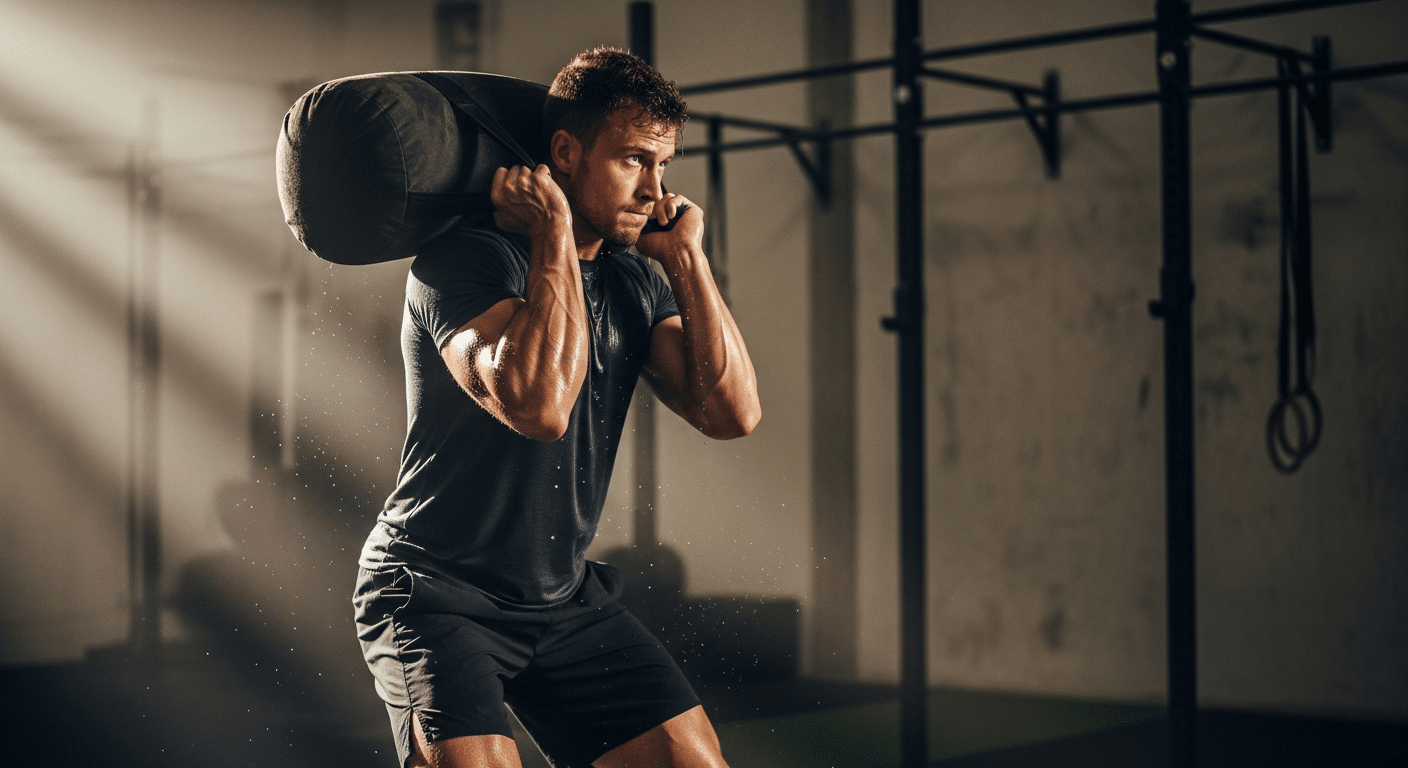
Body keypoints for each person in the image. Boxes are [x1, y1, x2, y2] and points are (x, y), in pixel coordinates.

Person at [353, 47, 761, 768]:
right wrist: (554, 239)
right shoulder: (463, 265)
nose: (654, 188)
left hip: (562, 599)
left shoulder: (637, 281)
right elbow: (539, 407)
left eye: (664, 166)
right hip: (434, 591)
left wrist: (688, 259)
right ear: (566, 153)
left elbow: (732, 415)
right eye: (635, 160)